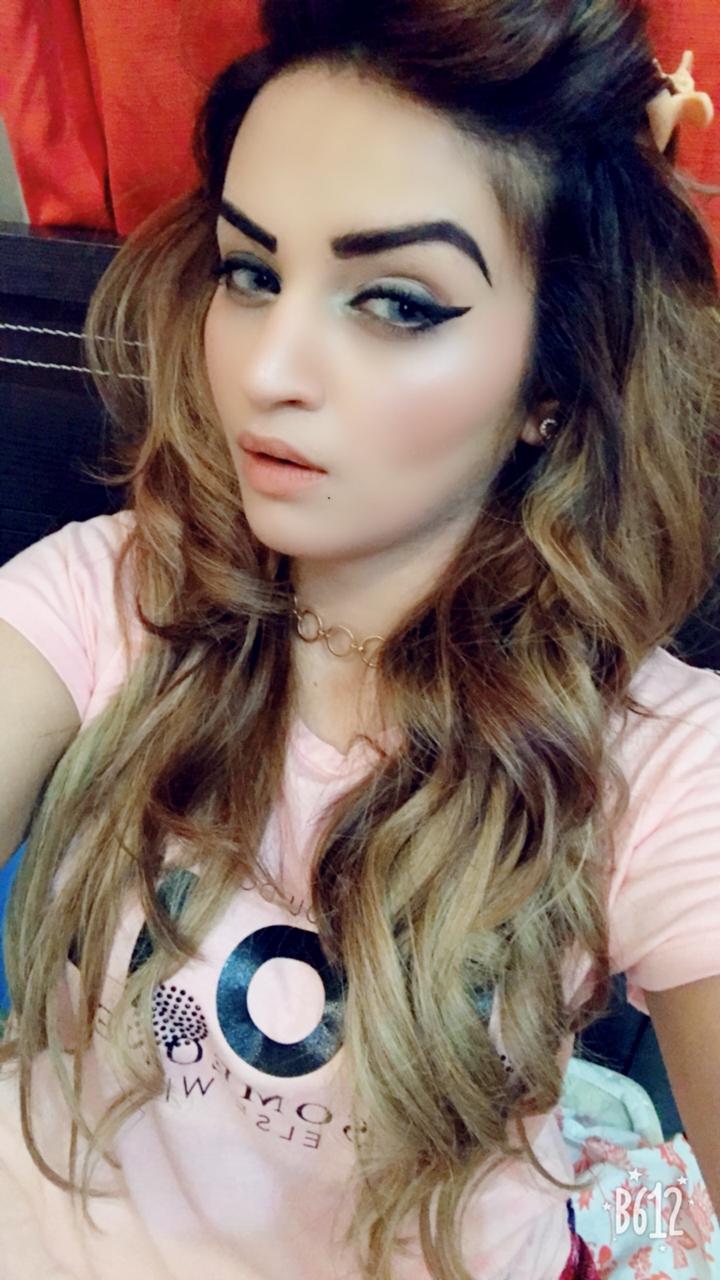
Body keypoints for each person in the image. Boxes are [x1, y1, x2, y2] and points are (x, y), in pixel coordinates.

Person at [0, 1, 718, 1277]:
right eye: (251, 273)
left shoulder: (659, 763)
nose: (268, 367)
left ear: (553, 382)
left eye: (393, 300)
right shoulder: (112, 593)